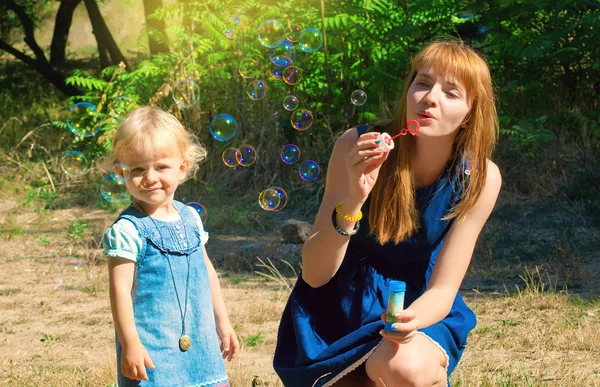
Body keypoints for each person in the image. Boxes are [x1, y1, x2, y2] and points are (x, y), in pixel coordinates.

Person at [273, 40, 502, 387]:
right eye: (422, 83)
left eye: (451, 93)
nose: (429, 98)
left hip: (419, 304)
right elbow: (316, 273)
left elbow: (443, 289)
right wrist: (353, 199)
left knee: (401, 366)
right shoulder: (356, 145)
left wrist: (410, 320)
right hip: (341, 303)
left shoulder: (481, 179)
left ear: (471, 112)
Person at [103, 107, 239, 387]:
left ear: (183, 167)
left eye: (160, 167)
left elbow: (207, 273)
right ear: (122, 172)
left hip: (200, 345)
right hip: (154, 352)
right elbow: (120, 292)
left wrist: (222, 322)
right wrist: (130, 344)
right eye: (138, 169)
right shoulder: (128, 230)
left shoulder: (190, 216)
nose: (149, 178)